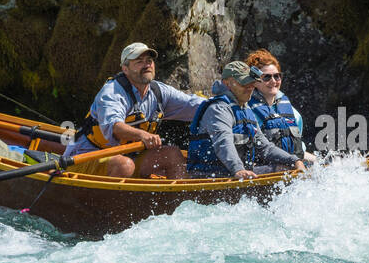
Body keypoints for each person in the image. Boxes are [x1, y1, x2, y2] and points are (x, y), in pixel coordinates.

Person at [64, 42, 203, 178]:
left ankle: (177, 200)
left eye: (149, 61)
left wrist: (219, 104)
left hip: (129, 158)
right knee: (124, 165)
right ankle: (111, 201)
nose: (147, 65)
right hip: (86, 158)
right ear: (125, 69)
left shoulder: (159, 92)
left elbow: (194, 105)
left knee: (172, 154)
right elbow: (114, 127)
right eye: (139, 61)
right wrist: (142, 135)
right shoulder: (112, 92)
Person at [186, 61, 303, 179]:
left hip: (236, 173)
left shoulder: (246, 109)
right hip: (210, 176)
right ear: (227, 84)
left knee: (288, 168)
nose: (250, 87)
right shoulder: (218, 109)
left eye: (251, 83)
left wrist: (294, 160)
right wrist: (238, 169)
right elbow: (223, 143)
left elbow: (265, 148)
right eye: (244, 83)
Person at [245, 49, 318, 165]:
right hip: (263, 171)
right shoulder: (246, 111)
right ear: (255, 81)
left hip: (293, 167)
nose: (273, 81)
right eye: (267, 77)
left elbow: (300, 152)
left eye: (277, 76)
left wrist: (323, 163)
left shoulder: (294, 113)